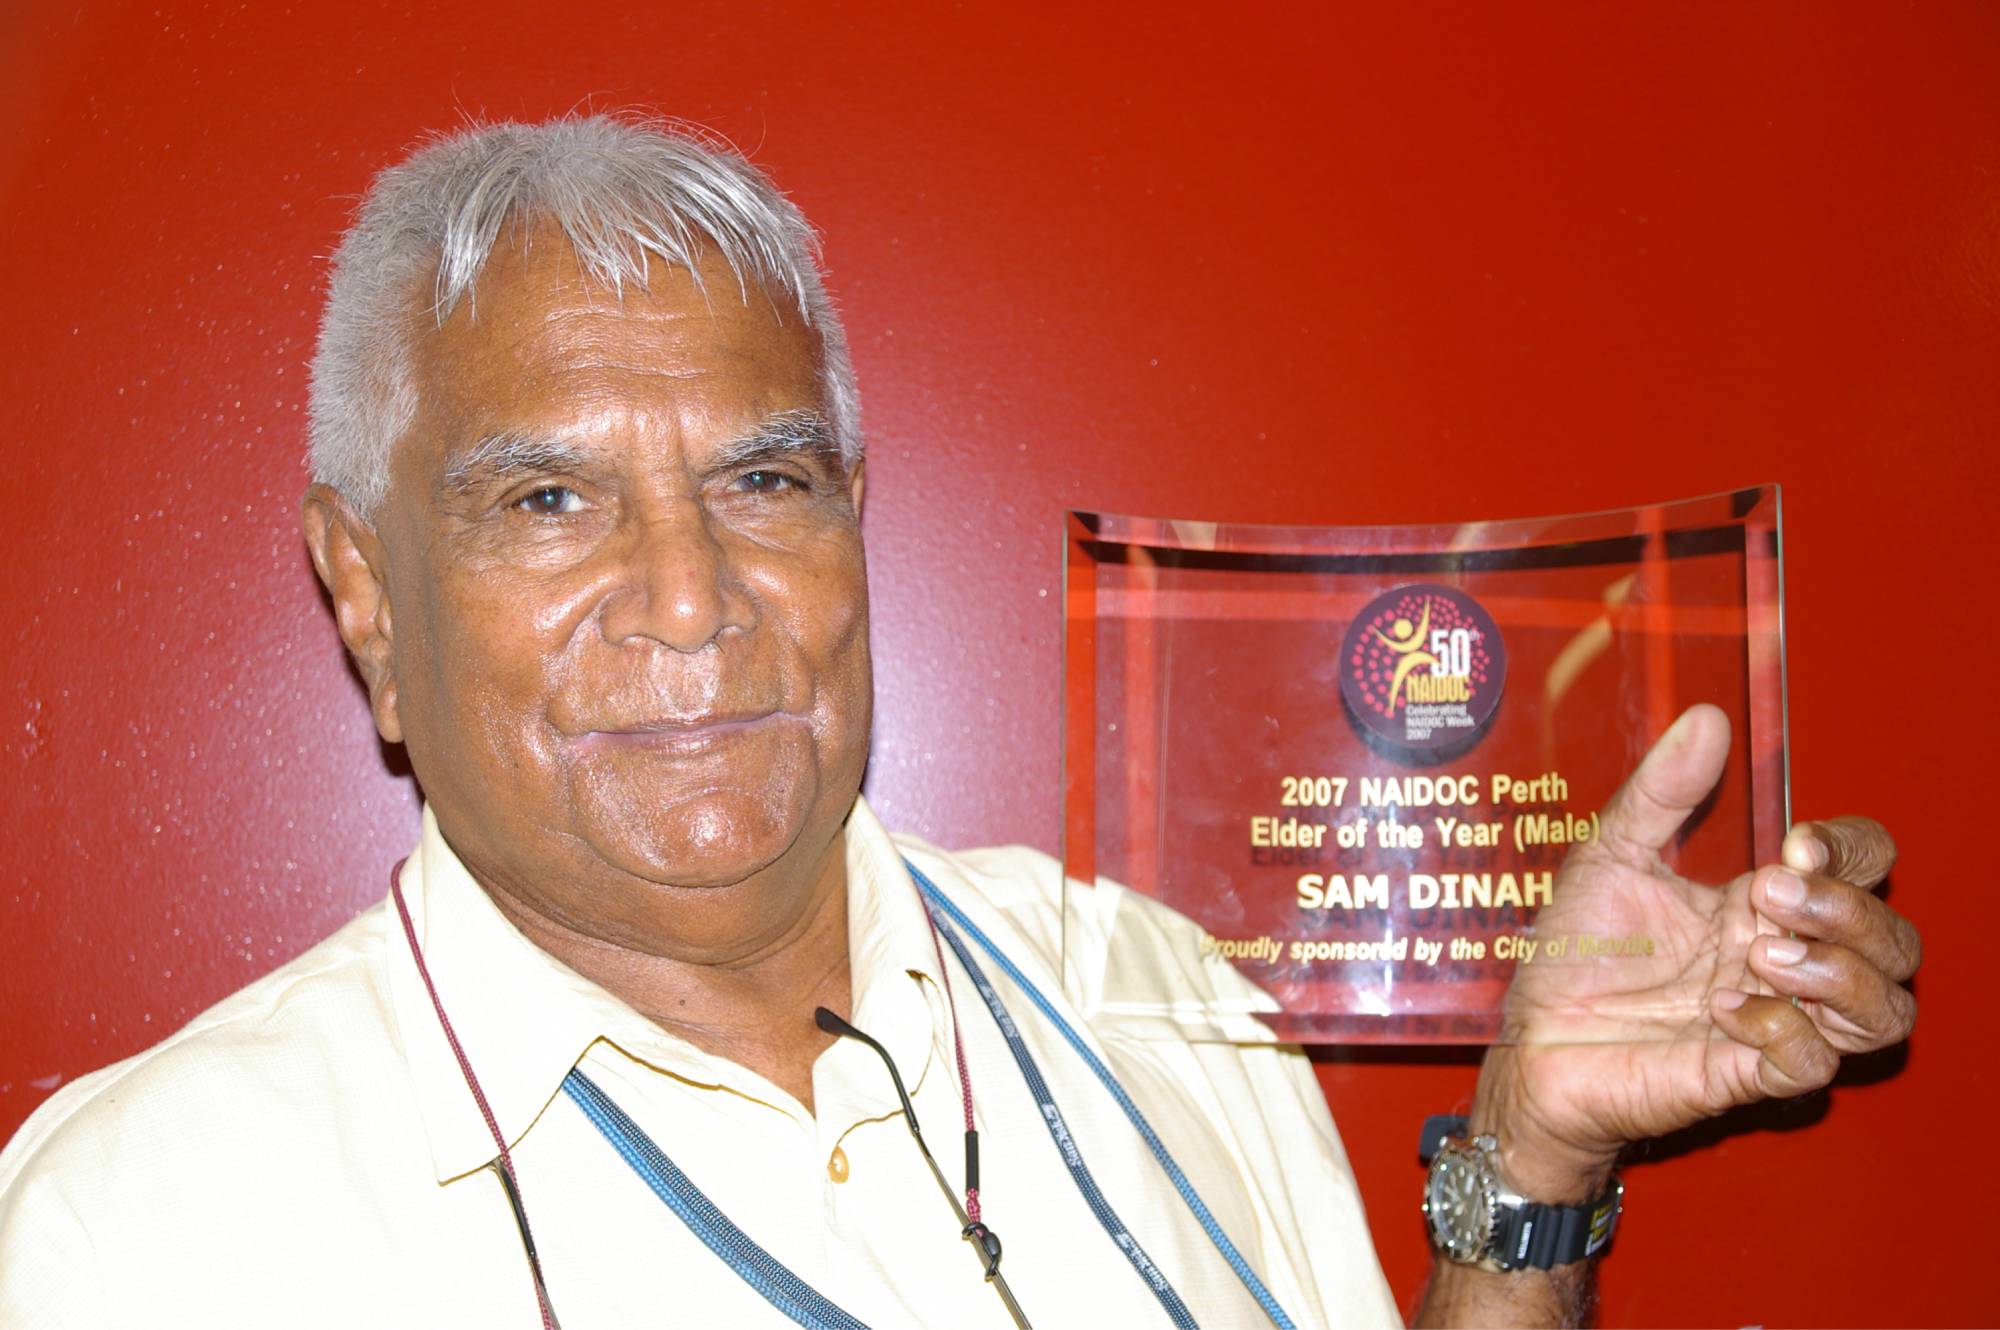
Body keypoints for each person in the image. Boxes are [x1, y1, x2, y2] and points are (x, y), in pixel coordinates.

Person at [0, 115, 1919, 1329]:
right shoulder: (127, 1236)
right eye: (550, 499)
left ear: (855, 513)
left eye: (763, 480)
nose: (692, 595)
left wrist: (1529, 1163)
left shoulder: (1152, 991)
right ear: (364, 590)